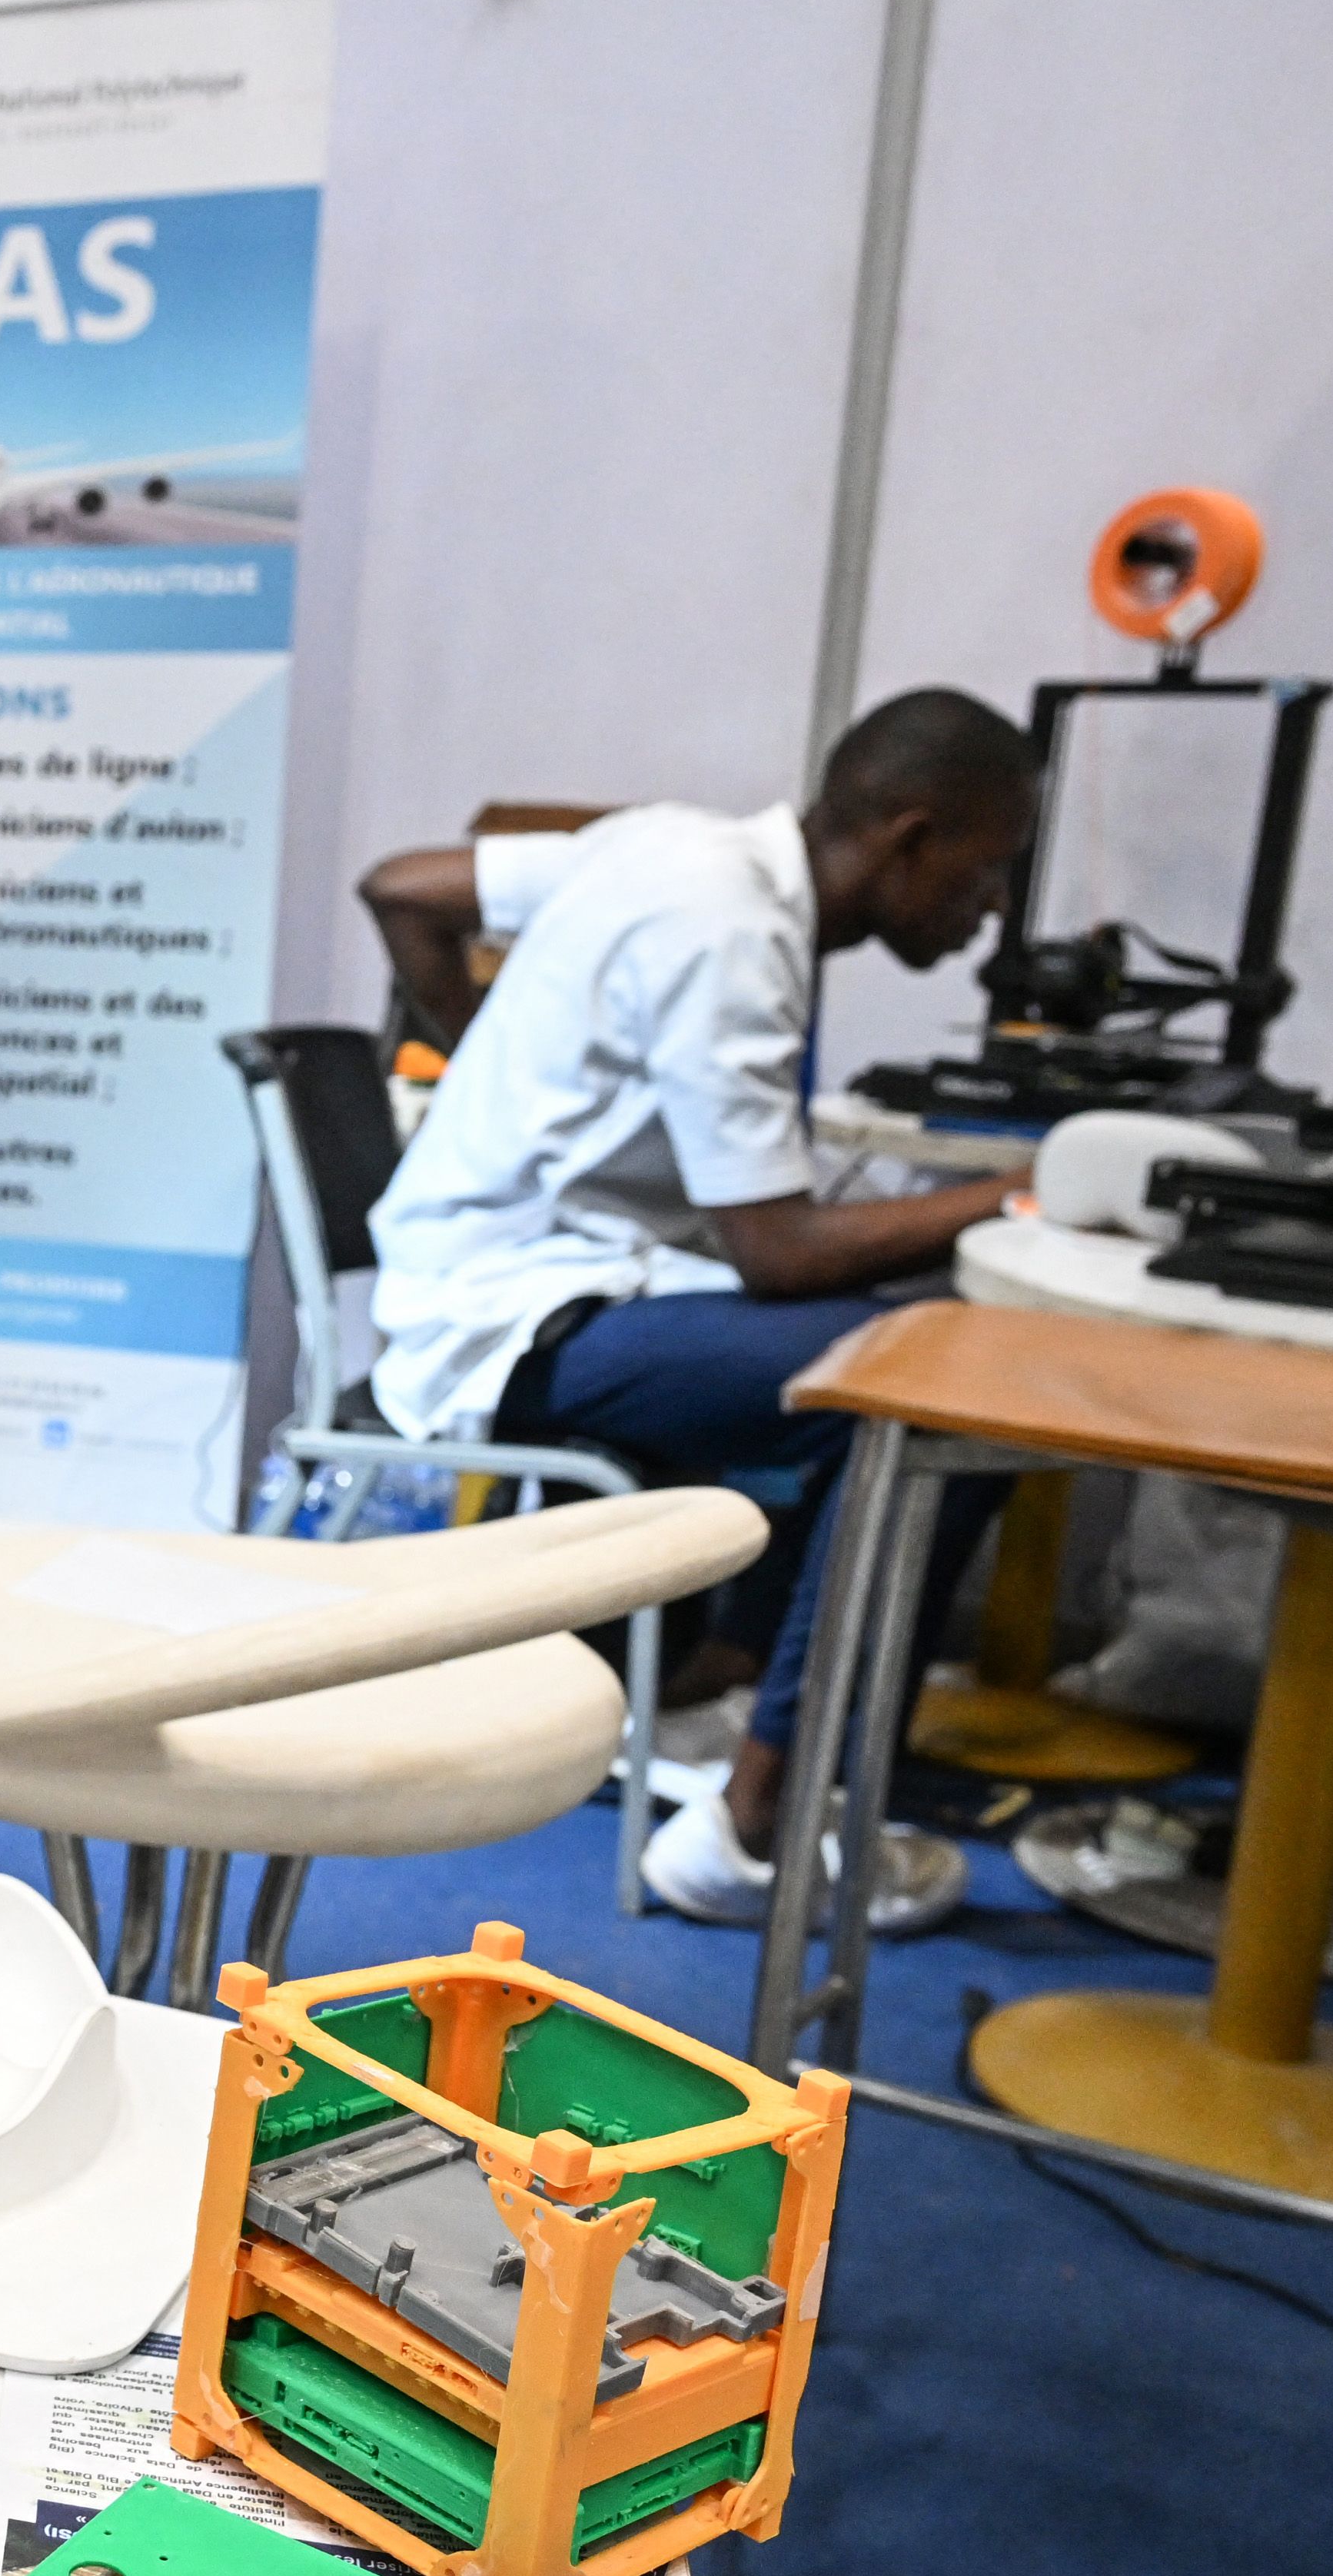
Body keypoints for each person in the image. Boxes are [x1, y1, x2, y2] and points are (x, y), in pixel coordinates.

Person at [358, 689, 1040, 1928]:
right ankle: (756, 1823)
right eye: (985, 873)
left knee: (909, 1336)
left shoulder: (667, 843)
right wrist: (1023, 1192)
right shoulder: (726, 928)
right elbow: (779, 1252)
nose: (990, 914)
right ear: (908, 836)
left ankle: (732, 1679)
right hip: (514, 1314)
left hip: (550, 1272)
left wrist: (495, 1066)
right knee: (937, 1394)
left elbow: (405, 885)